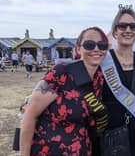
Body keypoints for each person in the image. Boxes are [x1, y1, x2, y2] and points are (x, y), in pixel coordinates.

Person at [20, 26, 110, 156]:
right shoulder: (62, 72)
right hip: (48, 150)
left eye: (102, 45)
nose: (96, 49)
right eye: (89, 44)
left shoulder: (100, 79)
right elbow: (29, 114)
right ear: (78, 48)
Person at [92, 4, 135, 156]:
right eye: (122, 26)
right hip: (106, 137)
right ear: (115, 31)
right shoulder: (103, 59)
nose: (128, 30)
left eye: (133, 26)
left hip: (132, 135)